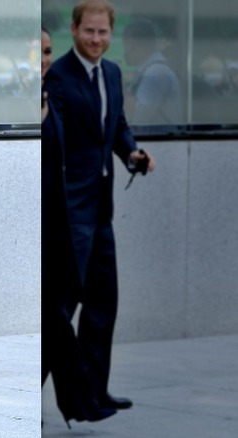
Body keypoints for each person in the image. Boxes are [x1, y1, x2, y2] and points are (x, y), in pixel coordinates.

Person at [45, 0, 156, 419]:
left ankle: (95, 391)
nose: (96, 39)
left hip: (101, 207)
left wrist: (132, 154)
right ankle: (42, 392)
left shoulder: (111, 72)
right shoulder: (57, 76)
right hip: (70, 210)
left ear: (111, 33)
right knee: (62, 306)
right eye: (89, 31)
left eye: (103, 32)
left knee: (102, 302)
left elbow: (117, 125)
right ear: (74, 30)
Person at [41, 26, 116, 427]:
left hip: (62, 218)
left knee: (58, 311)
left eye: (48, 51)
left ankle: (84, 400)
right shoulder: (51, 93)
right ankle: (81, 401)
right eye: (37, 52)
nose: (44, 60)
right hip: (53, 220)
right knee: (55, 313)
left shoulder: (48, 97)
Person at [122, 17, 182, 126]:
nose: (125, 52)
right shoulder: (149, 70)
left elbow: (137, 117)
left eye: (126, 46)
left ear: (132, 45)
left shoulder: (156, 73)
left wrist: (116, 83)